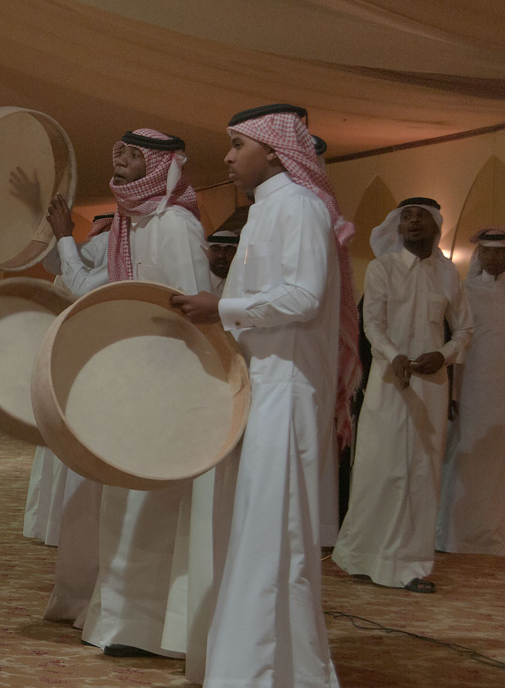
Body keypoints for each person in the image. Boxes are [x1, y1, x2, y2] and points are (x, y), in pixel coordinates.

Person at [172, 102, 360, 688]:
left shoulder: (300, 208)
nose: (226, 158)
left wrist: (219, 307)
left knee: (274, 535)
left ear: (275, 149)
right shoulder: (261, 214)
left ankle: (272, 673)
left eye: (237, 145)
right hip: (259, 389)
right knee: (252, 533)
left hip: (287, 394)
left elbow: (303, 297)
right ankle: (260, 669)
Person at [47, 129, 218, 664]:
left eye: (132, 153)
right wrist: (62, 237)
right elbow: (78, 282)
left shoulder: (176, 225)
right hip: (132, 381)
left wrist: (183, 391)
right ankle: (120, 621)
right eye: (116, 150)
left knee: (157, 508)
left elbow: (194, 315)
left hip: (170, 388)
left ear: (160, 166)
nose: (117, 159)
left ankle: (156, 628)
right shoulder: (126, 226)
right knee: (123, 506)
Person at [333, 198, 473, 592]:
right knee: (381, 468)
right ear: (397, 226)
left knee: (422, 473)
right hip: (389, 381)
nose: (413, 223)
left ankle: (412, 566)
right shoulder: (382, 269)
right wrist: (394, 357)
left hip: (430, 385)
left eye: (420, 217)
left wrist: (442, 356)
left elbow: (464, 330)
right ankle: (360, 555)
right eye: (406, 217)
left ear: (435, 227)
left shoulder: (448, 275)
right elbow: (372, 324)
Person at [26, 214, 112, 547]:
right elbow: (59, 263)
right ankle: (61, 524)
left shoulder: (129, 248)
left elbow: (78, 277)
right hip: (72, 359)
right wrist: (52, 231)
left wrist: (63, 237)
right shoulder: (101, 249)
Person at [438, 228, 505, 555]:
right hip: (471, 389)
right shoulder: (465, 291)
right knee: (466, 457)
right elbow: (457, 345)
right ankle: (455, 536)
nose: (494, 258)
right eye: (488, 253)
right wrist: (452, 393)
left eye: (500, 253)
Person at [205, 229, 239, 296]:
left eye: (228, 250)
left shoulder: (244, 282)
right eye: (215, 249)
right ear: (208, 252)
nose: (221, 255)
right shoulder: (199, 282)